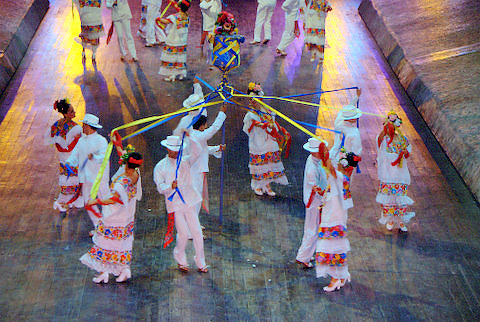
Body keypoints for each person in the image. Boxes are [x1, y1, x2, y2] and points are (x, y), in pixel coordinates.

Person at [80, 148, 143, 283]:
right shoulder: (136, 174)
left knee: (105, 242)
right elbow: (124, 159)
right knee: (122, 243)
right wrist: (118, 145)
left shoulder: (123, 182)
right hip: (126, 216)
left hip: (115, 216)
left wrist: (96, 201)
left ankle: (104, 272)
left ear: (126, 164)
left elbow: (113, 199)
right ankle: (123, 269)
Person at [153, 134, 208, 273]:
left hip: (189, 201)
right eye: (173, 149)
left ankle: (200, 260)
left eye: (178, 149)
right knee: (183, 233)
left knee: (197, 232)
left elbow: (197, 151)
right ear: (167, 149)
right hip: (175, 205)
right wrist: (170, 187)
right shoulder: (160, 167)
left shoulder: (185, 161)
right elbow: (160, 188)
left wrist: (192, 138)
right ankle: (180, 257)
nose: (175, 152)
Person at [315, 148, 360, 292]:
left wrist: (323, 154)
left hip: (334, 218)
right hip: (333, 215)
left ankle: (336, 278)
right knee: (334, 247)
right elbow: (331, 191)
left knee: (331, 248)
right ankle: (340, 276)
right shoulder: (340, 178)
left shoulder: (341, 177)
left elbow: (330, 169)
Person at [242, 82, 290, 196]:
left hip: (268, 140)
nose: (253, 101)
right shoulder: (250, 114)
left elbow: (272, 121)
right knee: (259, 163)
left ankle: (267, 185)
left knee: (268, 163)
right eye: (251, 99)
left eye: (255, 98)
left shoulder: (266, 110)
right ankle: (257, 185)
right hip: (257, 141)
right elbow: (251, 125)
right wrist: (263, 125)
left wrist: (279, 129)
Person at [65, 114, 110, 232]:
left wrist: (94, 157)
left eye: (84, 125)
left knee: (105, 201)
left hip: (99, 178)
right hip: (86, 178)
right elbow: (75, 155)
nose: (82, 127)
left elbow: (104, 157)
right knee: (88, 203)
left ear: (88, 126)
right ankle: (99, 226)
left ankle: (110, 226)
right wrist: (69, 163)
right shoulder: (81, 140)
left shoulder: (101, 141)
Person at [44, 99, 83, 221]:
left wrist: (64, 149)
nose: (74, 113)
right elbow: (73, 146)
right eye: (71, 111)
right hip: (72, 156)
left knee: (67, 177)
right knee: (73, 177)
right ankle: (68, 200)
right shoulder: (75, 128)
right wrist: (76, 141)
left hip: (63, 157)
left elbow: (57, 145)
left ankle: (69, 199)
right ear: (65, 113)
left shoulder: (55, 126)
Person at [376, 111, 415, 232]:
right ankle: (390, 219)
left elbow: (407, 154)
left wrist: (404, 153)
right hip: (387, 172)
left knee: (400, 197)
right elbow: (379, 142)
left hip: (399, 172)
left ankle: (401, 221)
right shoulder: (384, 139)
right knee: (389, 198)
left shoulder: (403, 139)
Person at [295, 138, 329, 268]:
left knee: (312, 228)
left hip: (315, 201)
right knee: (312, 229)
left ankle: (306, 255)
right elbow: (317, 189)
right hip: (314, 202)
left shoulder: (314, 161)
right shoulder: (312, 169)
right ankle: (303, 256)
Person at [157, 0, 192, 82]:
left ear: (179, 7)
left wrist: (158, 19)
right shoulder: (187, 16)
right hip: (182, 41)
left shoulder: (174, 17)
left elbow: (165, 21)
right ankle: (179, 74)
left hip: (173, 40)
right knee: (179, 58)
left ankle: (171, 75)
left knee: (171, 58)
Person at [73, 0, 105, 65]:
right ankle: (93, 54)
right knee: (95, 37)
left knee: (86, 36)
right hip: (95, 22)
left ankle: (84, 52)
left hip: (87, 21)